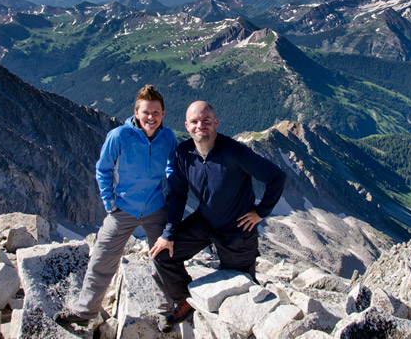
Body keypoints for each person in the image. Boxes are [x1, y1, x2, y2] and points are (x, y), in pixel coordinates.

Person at [149, 100, 286, 331]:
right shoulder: (184, 154)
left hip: (237, 230)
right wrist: (169, 233)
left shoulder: (235, 152)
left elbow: (277, 177)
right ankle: (185, 299)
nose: (200, 125)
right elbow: (178, 196)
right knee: (162, 254)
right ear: (187, 125)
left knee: (242, 289)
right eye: (194, 122)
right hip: (205, 221)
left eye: (205, 121)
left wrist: (261, 212)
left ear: (215, 123)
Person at [54, 84, 178, 326]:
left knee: (163, 261)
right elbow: (103, 169)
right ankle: (84, 312)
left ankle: (165, 312)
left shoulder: (168, 137)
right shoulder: (120, 135)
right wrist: (109, 203)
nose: (150, 118)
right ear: (136, 112)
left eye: (155, 112)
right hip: (123, 208)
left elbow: (172, 165)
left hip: (155, 208)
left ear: (163, 114)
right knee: (102, 258)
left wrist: (170, 192)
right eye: (146, 112)